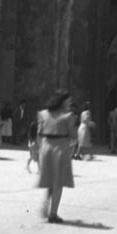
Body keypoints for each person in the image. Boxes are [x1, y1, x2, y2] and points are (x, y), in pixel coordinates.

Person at [36, 89, 76, 222]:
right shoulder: (68, 116)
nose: (70, 103)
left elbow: (39, 134)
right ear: (63, 101)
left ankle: (46, 203)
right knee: (59, 182)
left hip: (46, 147)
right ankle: (53, 213)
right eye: (68, 101)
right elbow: (74, 137)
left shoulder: (42, 114)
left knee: (49, 180)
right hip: (61, 148)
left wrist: (38, 150)